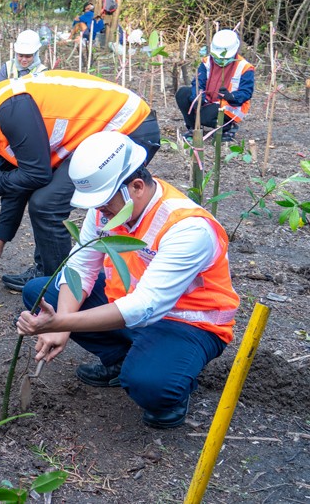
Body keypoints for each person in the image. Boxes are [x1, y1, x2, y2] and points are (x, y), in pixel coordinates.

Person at [17, 132, 238, 429]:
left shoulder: (188, 228)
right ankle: (122, 358)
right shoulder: (108, 210)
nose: (99, 211)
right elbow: (81, 266)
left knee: (150, 385)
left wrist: (61, 323)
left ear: (136, 186)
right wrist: (62, 323)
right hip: (129, 305)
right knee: (41, 293)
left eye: (104, 201)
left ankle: (170, 390)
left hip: (187, 322)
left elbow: (146, 305)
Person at [0, 70, 161, 292]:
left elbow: (36, 174)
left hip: (129, 126)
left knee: (47, 204)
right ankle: (46, 272)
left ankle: (58, 290)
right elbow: (18, 186)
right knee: (42, 197)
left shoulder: (10, 110)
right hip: (95, 135)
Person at [175, 29, 254, 142]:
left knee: (205, 116)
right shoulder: (207, 62)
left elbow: (246, 92)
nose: (220, 60)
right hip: (208, 100)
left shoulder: (245, 67)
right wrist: (198, 97)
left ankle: (227, 127)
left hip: (229, 106)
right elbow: (198, 81)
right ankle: (194, 128)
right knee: (183, 93)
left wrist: (231, 96)